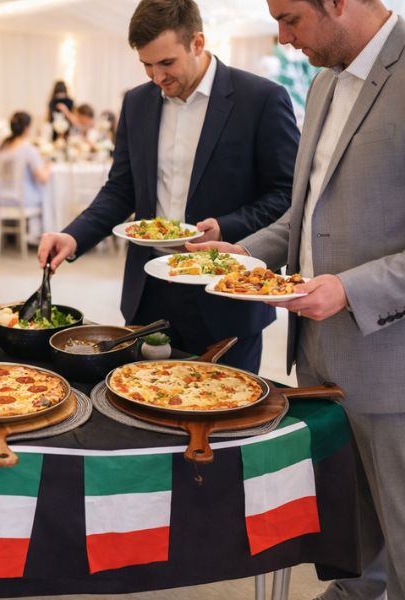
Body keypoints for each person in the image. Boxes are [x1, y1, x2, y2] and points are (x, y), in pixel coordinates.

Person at [189, 0, 405, 596]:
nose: (281, 38)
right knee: (351, 530)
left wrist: (351, 289)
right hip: (318, 357)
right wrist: (240, 252)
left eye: (290, 19)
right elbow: (306, 216)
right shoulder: (321, 87)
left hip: (392, 366)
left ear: (337, 3)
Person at [37, 0, 299, 373]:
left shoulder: (261, 98)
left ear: (197, 42)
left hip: (225, 288)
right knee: (145, 402)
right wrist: (74, 236)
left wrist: (228, 226)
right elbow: (120, 189)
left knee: (224, 417)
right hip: (150, 290)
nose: (156, 77)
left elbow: (285, 193)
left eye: (166, 63)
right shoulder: (137, 102)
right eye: (146, 64)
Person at [0, 112, 52, 244]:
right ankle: (38, 235)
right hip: (22, 200)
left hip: (1, 200)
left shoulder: (1, 148)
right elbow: (42, 178)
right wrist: (49, 165)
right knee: (46, 193)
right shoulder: (27, 149)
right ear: (27, 128)